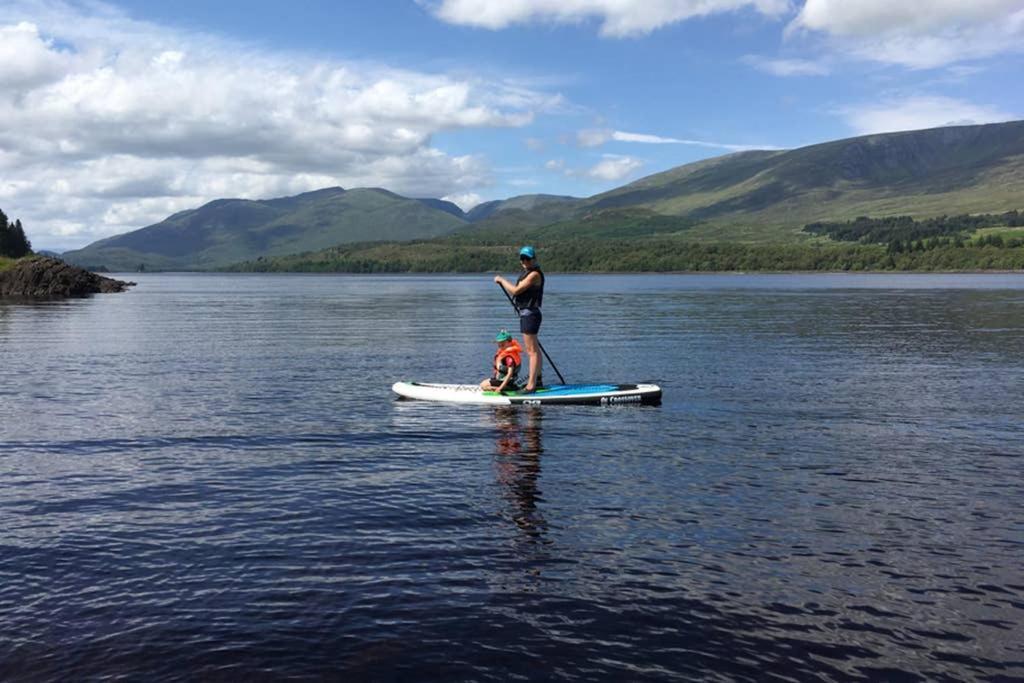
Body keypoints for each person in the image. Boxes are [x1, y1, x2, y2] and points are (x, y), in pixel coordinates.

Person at [494, 245, 544, 392]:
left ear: (534, 259)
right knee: (535, 349)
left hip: (530, 315)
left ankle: (531, 385)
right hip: (528, 314)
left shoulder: (534, 274)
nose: (524, 261)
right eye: (522, 258)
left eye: (527, 258)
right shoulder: (527, 273)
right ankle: (538, 379)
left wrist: (501, 280)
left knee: (531, 351)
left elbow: (516, 290)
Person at [480, 329, 523, 393]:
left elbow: (510, 374)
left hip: (506, 381)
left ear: (510, 342)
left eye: (502, 344)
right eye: (499, 344)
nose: (500, 345)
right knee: (483, 382)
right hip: (503, 379)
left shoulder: (509, 358)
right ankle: (508, 386)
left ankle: (506, 388)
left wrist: (501, 387)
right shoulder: (507, 354)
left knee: (483, 386)